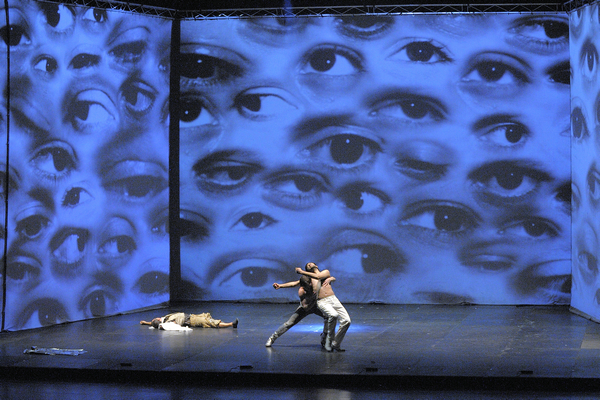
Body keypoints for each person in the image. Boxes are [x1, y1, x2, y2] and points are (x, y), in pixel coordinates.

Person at [265, 273, 335, 347]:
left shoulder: (315, 282)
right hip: (307, 306)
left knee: (329, 316)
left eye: (309, 285)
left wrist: (330, 279)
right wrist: (315, 297)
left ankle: (324, 336)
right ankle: (272, 338)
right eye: (305, 287)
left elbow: (332, 278)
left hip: (317, 305)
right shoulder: (302, 291)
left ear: (310, 283)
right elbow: (306, 307)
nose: (308, 287)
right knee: (289, 323)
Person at [296, 262, 351, 352]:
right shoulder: (310, 279)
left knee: (347, 321)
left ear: (316, 265)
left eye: (311, 263)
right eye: (308, 265)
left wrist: (331, 278)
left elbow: (319, 276)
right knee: (333, 315)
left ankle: (335, 344)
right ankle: (328, 342)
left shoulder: (325, 272)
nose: (310, 265)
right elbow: (295, 283)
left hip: (333, 299)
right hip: (322, 301)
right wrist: (280, 286)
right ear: (308, 270)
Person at [140, 312, 238, 330]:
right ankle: (230, 324)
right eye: (155, 319)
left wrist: (145, 322)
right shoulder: (166, 323)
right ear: (157, 320)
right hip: (191, 320)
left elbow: (152, 324)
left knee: (207, 315)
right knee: (210, 322)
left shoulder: (163, 318)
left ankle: (222, 323)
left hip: (191, 316)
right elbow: (173, 325)